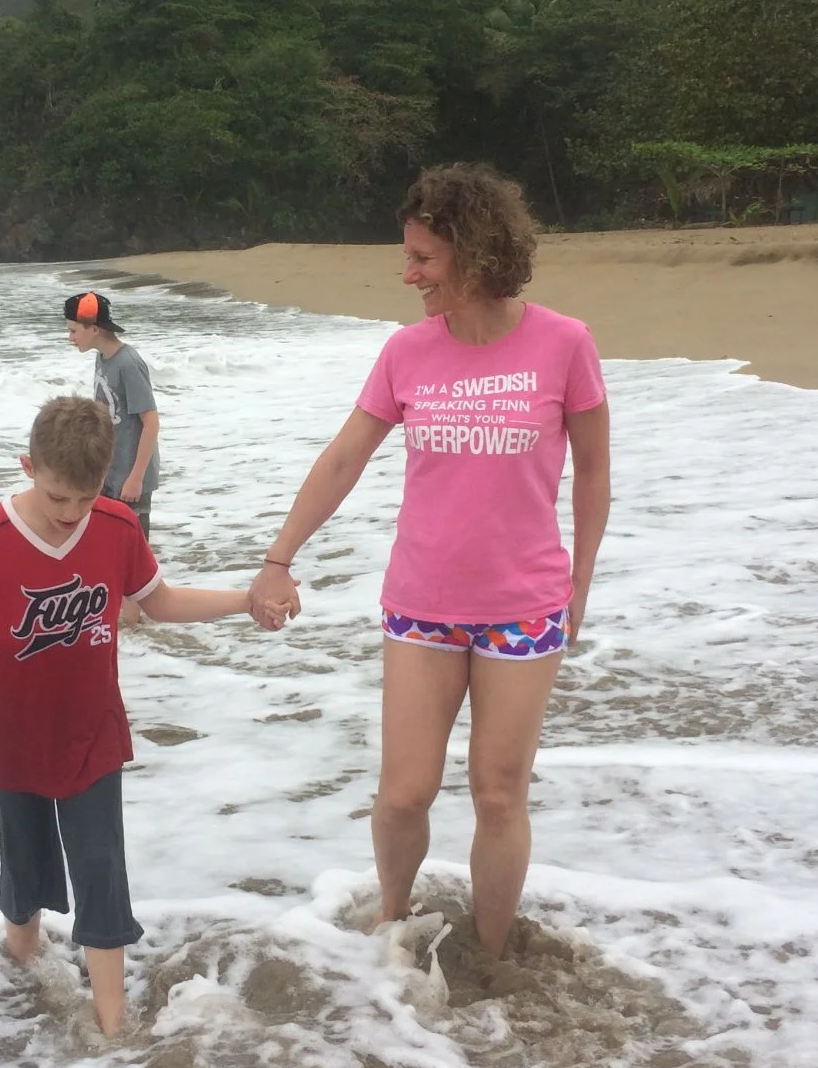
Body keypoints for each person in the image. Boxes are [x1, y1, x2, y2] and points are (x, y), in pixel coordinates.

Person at [248, 162, 610, 957]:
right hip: (421, 605)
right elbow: (344, 459)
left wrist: (579, 582)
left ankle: (492, 954)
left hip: (523, 608)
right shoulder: (406, 352)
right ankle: (392, 923)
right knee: (405, 793)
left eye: (423, 258)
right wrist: (279, 558)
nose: (407, 274)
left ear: (476, 252)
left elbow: (593, 470)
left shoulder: (564, 344)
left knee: (498, 795)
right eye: (407, 256)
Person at [0, 395, 251, 1036]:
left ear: (103, 480)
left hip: (92, 737)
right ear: (28, 467)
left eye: (85, 498)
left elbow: (160, 602)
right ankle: (20, 975)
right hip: (17, 742)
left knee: (102, 876)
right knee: (23, 882)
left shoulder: (116, 526)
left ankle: (112, 1027)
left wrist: (246, 599)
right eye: (57, 497)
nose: (71, 513)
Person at [64, 291, 160, 538]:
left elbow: (151, 422)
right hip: (109, 473)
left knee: (134, 549)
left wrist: (136, 478)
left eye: (74, 331)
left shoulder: (128, 363)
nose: (70, 338)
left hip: (130, 477)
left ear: (94, 329)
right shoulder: (103, 358)